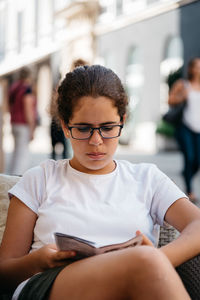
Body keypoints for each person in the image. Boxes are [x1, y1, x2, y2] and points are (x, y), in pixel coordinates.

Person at [1, 65, 200, 300]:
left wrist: (159, 260)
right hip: (51, 283)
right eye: (83, 129)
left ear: (122, 121)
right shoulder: (40, 178)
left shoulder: (147, 178)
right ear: (65, 126)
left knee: (144, 263)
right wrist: (39, 260)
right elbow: (4, 271)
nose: (96, 141)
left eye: (107, 128)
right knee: (144, 261)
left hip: (136, 282)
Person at [168, 57, 200, 202]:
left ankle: (185, 174)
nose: (199, 69)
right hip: (185, 126)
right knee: (189, 157)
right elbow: (170, 100)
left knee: (197, 161)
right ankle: (189, 191)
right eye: (197, 66)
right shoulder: (183, 84)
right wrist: (182, 96)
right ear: (191, 69)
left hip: (199, 128)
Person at [50, 59, 88, 160]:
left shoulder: (67, 84)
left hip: (71, 122)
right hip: (72, 122)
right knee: (70, 150)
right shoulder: (86, 86)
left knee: (69, 150)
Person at [8, 67, 37, 175]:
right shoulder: (26, 90)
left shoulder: (14, 87)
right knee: (22, 155)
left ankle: (11, 177)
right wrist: (32, 129)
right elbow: (28, 111)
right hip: (23, 124)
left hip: (14, 123)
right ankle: (17, 179)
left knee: (16, 153)